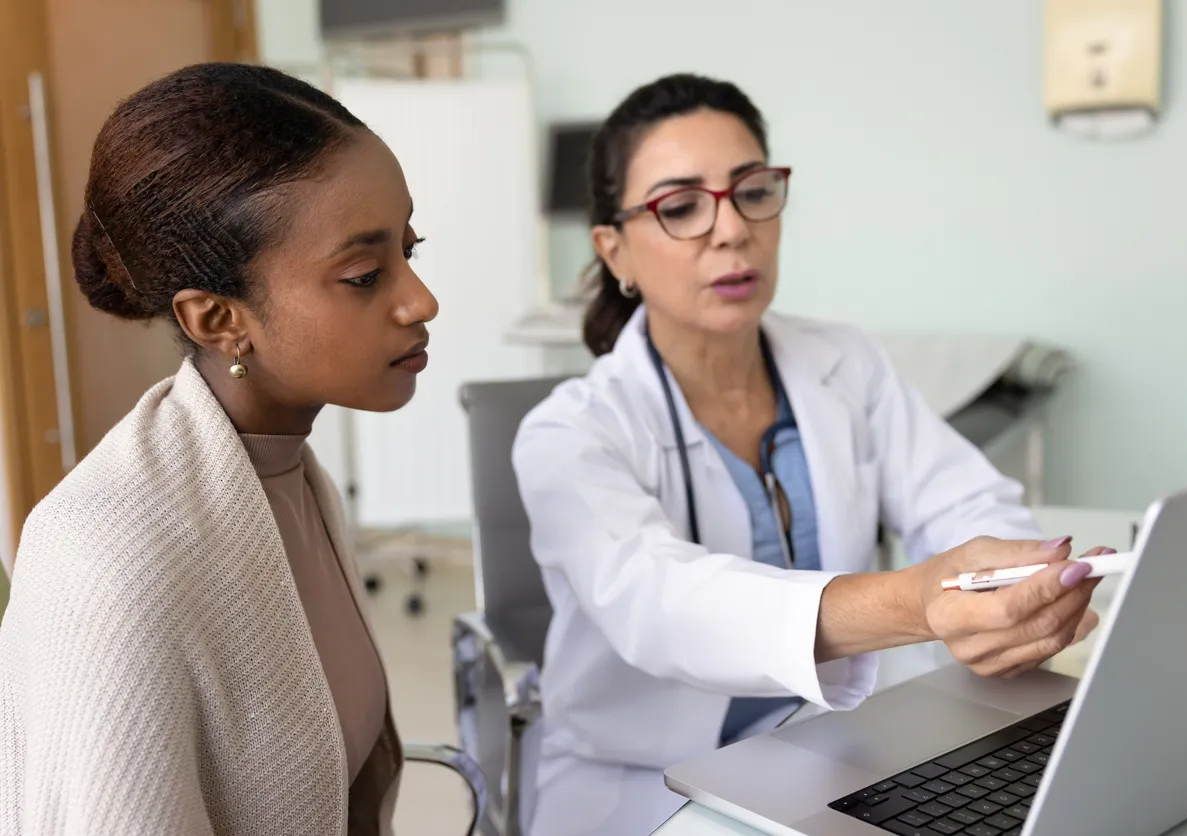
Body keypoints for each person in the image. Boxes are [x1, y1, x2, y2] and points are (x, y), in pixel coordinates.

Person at [510, 73, 1108, 836]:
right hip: (645, 790)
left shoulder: (842, 361)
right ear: (614, 248)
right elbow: (663, 605)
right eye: (683, 206)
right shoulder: (570, 433)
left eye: (753, 191)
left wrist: (1012, 587)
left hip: (831, 754)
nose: (731, 230)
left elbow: (962, 501)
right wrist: (915, 599)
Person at [0, 64, 437, 835]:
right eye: (366, 274)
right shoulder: (104, 556)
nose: (420, 299)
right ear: (214, 319)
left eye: (410, 246)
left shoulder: (292, 477)